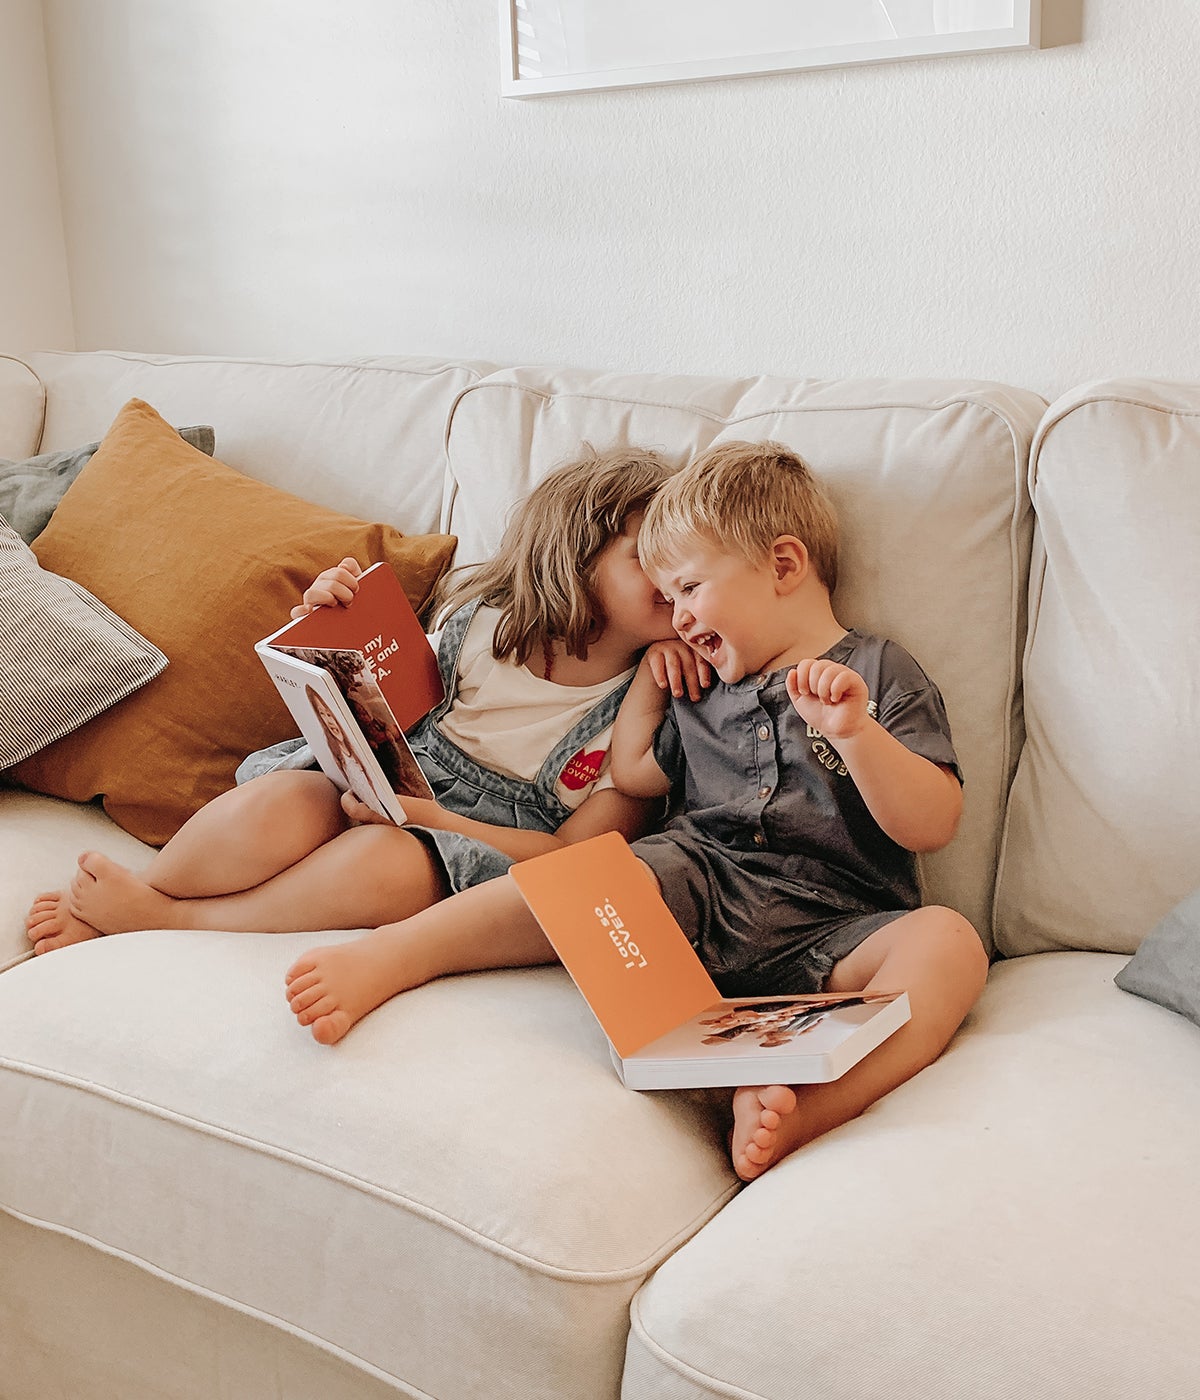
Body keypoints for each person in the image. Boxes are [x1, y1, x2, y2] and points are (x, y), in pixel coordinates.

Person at [279, 440, 988, 1184]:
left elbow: (932, 822)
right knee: (590, 877)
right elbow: (637, 772)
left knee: (949, 943)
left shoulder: (875, 672)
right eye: (669, 597)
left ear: (783, 567)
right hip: (697, 885)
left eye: (688, 587)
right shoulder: (698, 680)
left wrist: (857, 733)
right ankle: (396, 953)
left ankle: (807, 1105)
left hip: (840, 928)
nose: (676, 616)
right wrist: (653, 681)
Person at [26, 447, 695, 954]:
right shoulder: (484, 626)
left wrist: (429, 819)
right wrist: (325, 630)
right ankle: (152, 889)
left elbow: (577, 858)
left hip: (469, 851)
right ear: (575, 556)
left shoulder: (648, 710)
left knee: (387, 865)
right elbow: (375, 698)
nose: (676, 576)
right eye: (649, 556)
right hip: (381, 781)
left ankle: (174, 919)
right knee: (282, 800)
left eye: (685, 560)